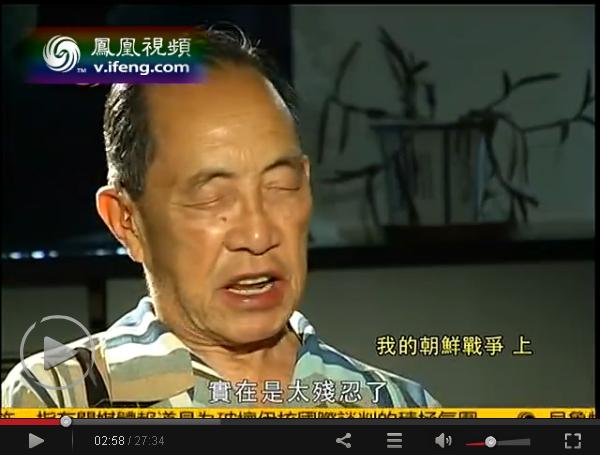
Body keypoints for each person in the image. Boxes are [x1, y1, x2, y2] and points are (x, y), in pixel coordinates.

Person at [2, 27, 440, 408]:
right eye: (212, 198)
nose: (258, 234)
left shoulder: (401, 408)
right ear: (126, 222)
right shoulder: (59, 398)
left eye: (280, 186)